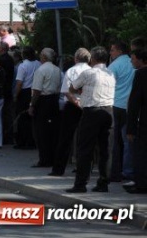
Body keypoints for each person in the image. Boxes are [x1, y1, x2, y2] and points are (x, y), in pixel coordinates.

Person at [67, 46, 116, 193]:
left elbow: (72, 88)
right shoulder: (111, 73)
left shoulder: (88, 73)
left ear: (92, 59)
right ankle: (103, 182)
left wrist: (82, 91)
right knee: (105, 149)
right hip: (108, 111)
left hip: (91, 111)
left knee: (85, 148)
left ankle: (80, 184)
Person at [50, 48, 91, 177]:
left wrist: (75, 102)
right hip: (88, 105)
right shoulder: (92, 71)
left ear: (76, 58)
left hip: (73, 105)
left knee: (65, 137)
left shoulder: (71, 71)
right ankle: (85, 167)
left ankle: (58, 168)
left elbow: (66, 91)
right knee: (86, 138)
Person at [30, 48, 62, 168]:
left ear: (43, 57)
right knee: (52, 131)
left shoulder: (41, 70)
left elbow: (37, 90)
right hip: (54, 100)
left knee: (41, 131)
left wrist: (32, 105)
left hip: (43, 101)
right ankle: (52, 157)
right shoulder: (57, 69)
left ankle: (44, 159)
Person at [109, 41, 135, 183]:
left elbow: (107, 84)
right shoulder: (134, 62)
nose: (110, 53)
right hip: (130, 107)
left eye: (112, 50)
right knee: (128, 140)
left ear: (119, 51)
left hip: (116, 105)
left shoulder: (114, 66)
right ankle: (128, 170)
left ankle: (116, 170)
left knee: (115, 141)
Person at [125, 48, 147, 193]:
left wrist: (131, 128)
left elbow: (134, 102)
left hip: (145, 122)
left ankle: (142, 184)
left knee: (142, 154)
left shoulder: (141, 74)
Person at [14, 46, 40, 150]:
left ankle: (22, 141)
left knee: (22, 117)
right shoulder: (38, 64)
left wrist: (16, 94)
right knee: (32, 117)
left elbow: (19, 82)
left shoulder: (23, 66)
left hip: (24, 91)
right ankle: (32, 140)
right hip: (35, 90)